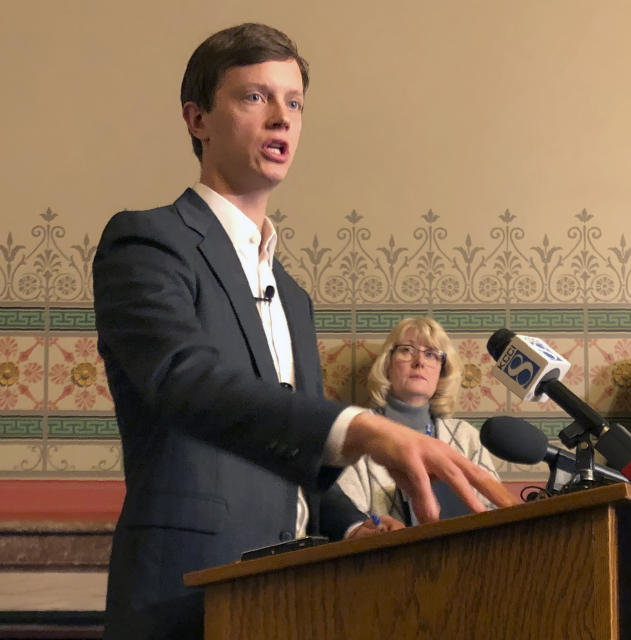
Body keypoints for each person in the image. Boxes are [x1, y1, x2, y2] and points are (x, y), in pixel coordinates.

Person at [93, 23, 514, 639]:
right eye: (255, 97)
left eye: (293, 103)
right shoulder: (148, 240)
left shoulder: (292, 295)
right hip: (182, 592)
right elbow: (184, 381)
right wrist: (364, 428)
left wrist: (349, 524)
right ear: (197, 119)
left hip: (291, 598)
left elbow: (286, 446)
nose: (281, 119)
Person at [339, 317, 501, 522]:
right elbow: (346, 519)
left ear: (442, 371)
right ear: (388, 364)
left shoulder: (465, 435)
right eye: (406, 350)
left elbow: (494, 512)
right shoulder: (358, 431)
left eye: (431, 354)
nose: (420, 362)